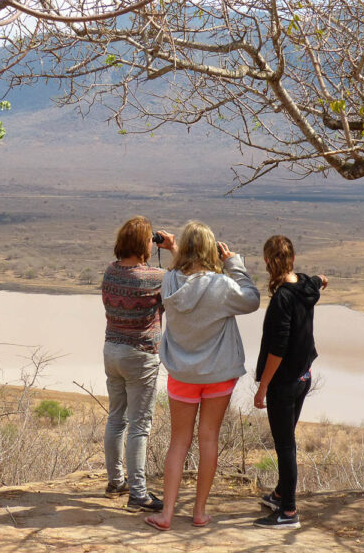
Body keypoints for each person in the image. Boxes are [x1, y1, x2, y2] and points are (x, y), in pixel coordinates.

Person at [144, 221, 260, 531]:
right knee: (209, 438)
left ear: (185, 248)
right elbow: (251, 299)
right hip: (219, 373)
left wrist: (174, 248)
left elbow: (185, 276)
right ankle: (199, 512)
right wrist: (234, 265)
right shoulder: (222, 285)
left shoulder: (169, 281)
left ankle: (166, 515)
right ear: (212, 250)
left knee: (178, 442)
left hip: (182, 374)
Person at [101, 216, 177, 511]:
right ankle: (138, 494)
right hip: (141, 355)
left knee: (116, 418)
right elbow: (182, 279)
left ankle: (115, 482)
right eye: (149, 239)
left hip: (112, 350)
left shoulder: (110, 271)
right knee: (139, 425)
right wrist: (173, 248)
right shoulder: (154, 277)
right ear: (144, 244)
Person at [253, 235, 328, 529]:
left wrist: (262, 387)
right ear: (293, 259)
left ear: (267, 262)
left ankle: (288, 512)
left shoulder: (282, 299)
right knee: (287, 441)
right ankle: (280, 494)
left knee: (285, 446)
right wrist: (322, 279)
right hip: (303, 377)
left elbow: (278, 349)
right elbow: (317, 281)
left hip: (284, 384)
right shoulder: (305, 285)